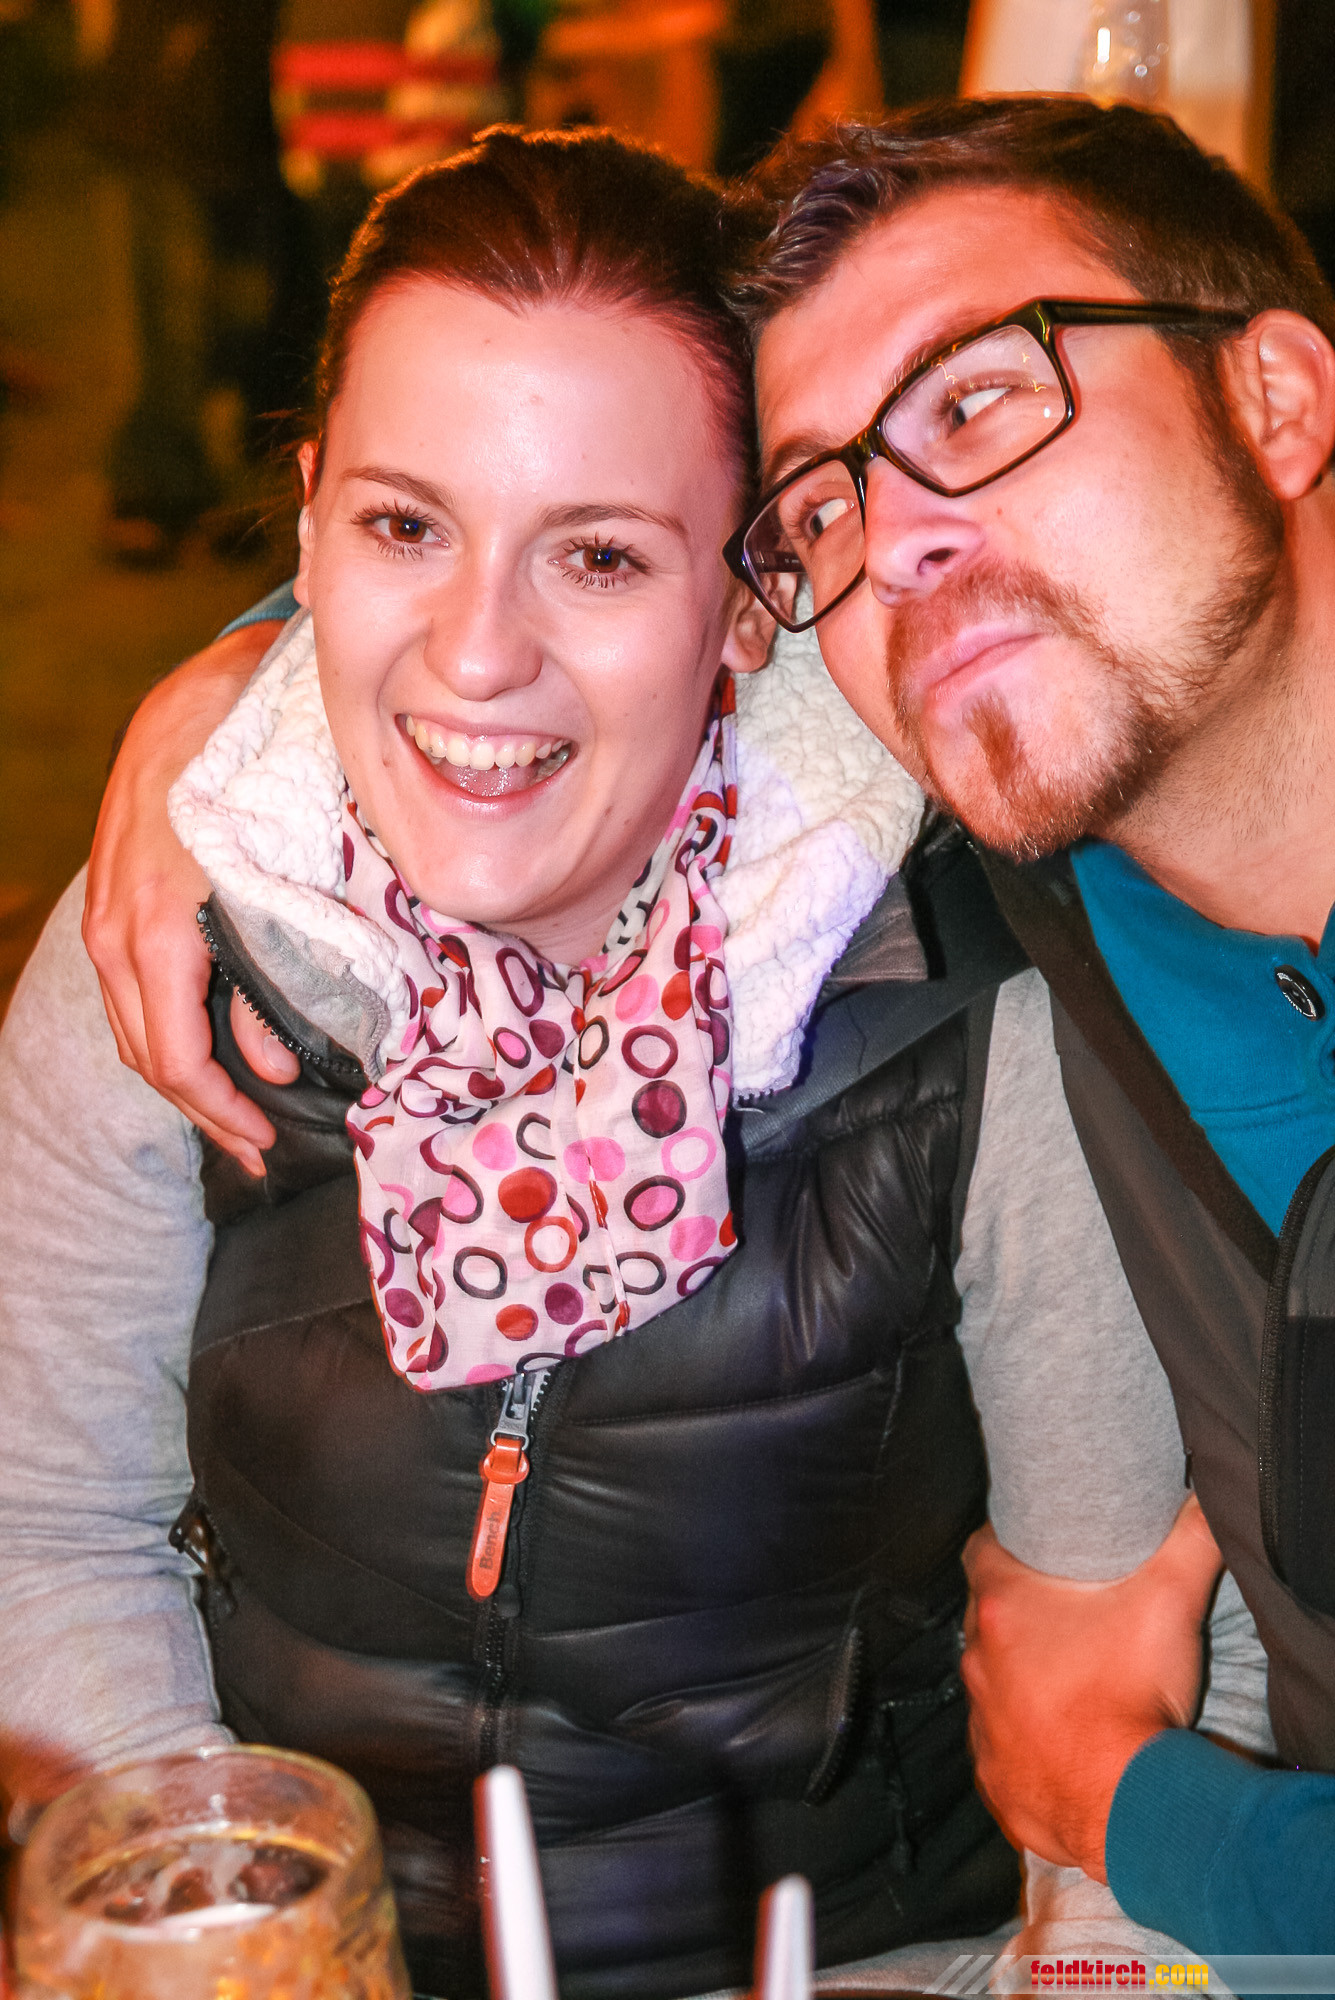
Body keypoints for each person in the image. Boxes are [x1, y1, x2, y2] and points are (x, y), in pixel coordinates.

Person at [1, 123, 1046, 1997]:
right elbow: (46, 1523)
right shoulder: (161, 941)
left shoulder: (971, 987)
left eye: (600, 556)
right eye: (405, 526)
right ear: (307, 526)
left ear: (750, 597)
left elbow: (1151, 1685)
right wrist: (236, 1938)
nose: (477, 655)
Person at [723, 95, 1335, 1949]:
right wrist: (242, 688)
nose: (899, 540)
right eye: (822, 505)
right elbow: (521, 591)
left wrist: (1138, 1807)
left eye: (979, 401)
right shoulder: (1016, 899)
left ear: (1278, 401)